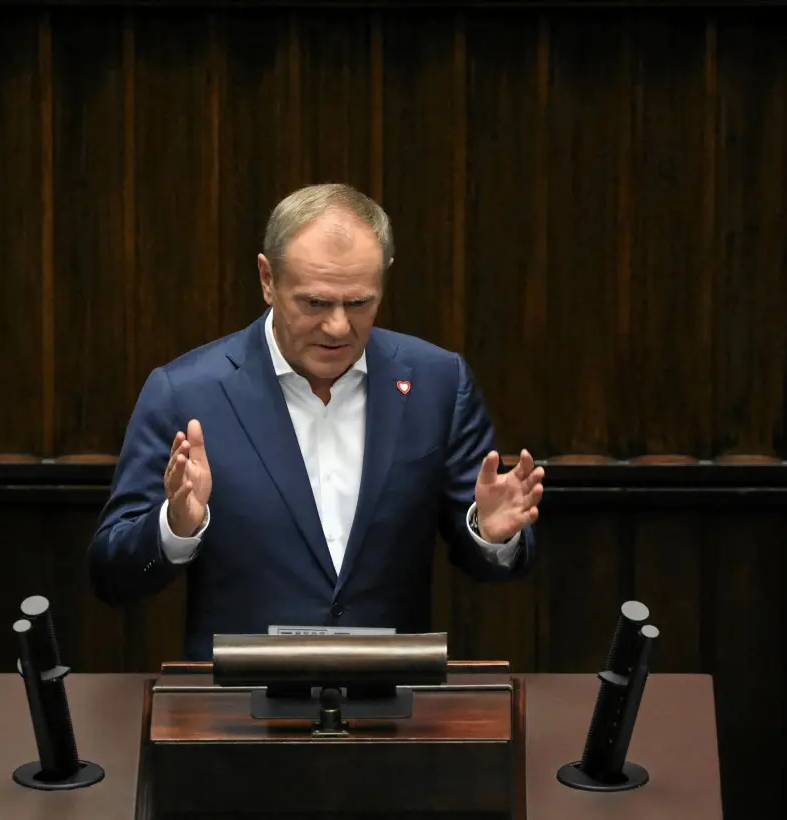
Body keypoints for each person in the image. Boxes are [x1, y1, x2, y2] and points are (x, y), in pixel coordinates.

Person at [89, 183, 544, 661]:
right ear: (268, 279)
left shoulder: (437, 383)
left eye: (359, 303)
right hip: (236, 711)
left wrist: (490, 534)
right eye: (315, 303)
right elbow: (110, 575)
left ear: (385, 279)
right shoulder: (186, 392)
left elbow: (493, 560)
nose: (338, 328)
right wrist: (175, 527)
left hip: (390, 707)